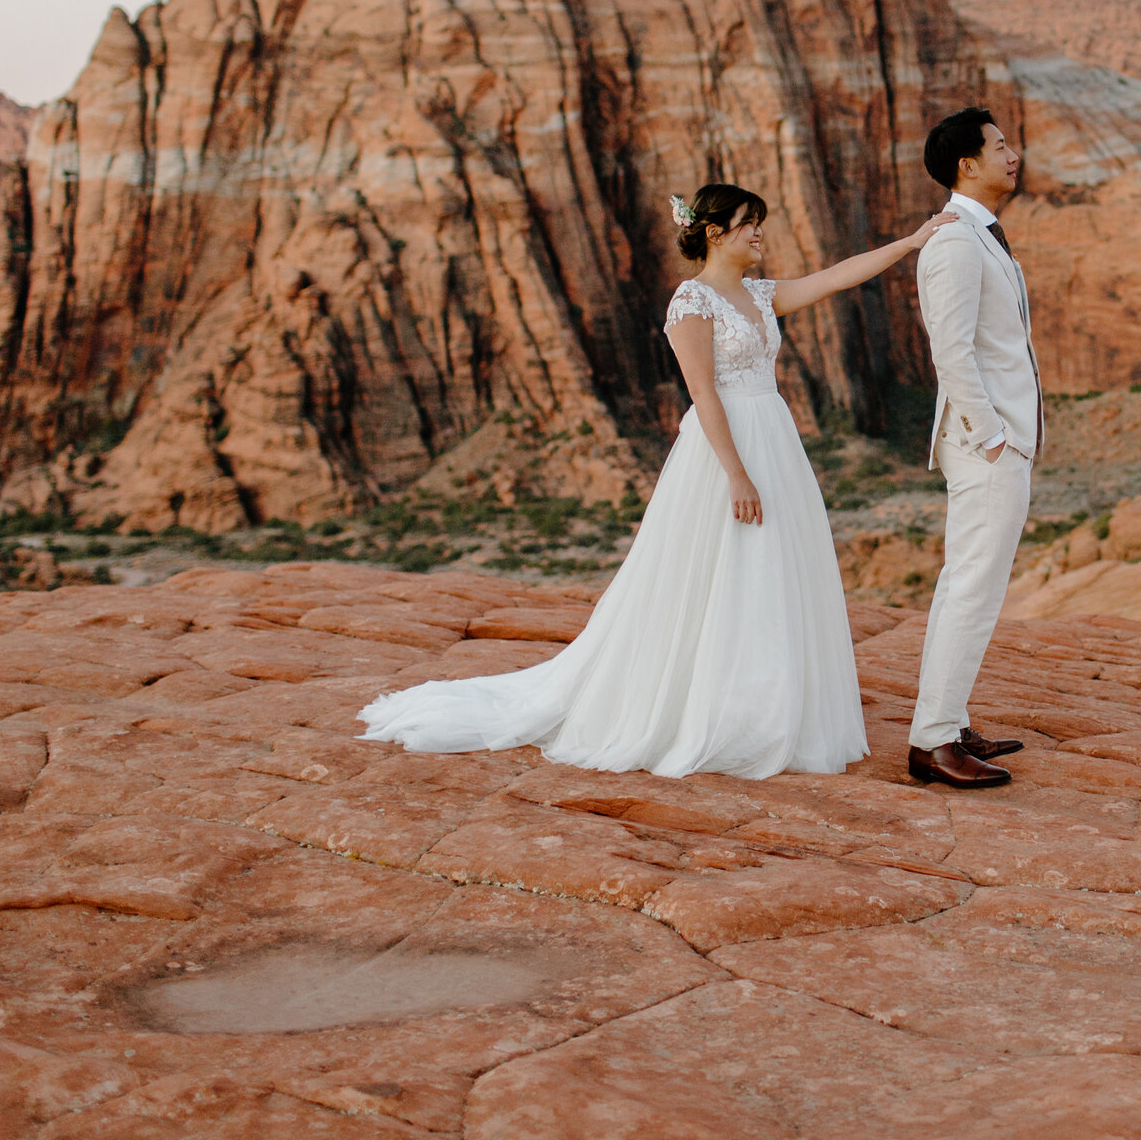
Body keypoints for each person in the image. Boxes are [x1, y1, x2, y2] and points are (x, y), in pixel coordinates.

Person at [356, 184, 955, 779]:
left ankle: (760, 708)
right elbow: (702, 392)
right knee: (712, 574)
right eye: (750, 223)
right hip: (727, 452)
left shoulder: (757, 294)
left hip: (774, 438)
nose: (759, 234)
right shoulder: (692, 302)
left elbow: (837, 277)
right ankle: (700, 710)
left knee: (767, 573)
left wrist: (913, 240)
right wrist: (737, 475)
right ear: (716, 232)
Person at [907, 107, 1041, 788]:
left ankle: (950, 721)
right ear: (967, 163)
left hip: (995, 440)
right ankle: (932, 742)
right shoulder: (957, 241)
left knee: (971, 585)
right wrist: (994, 438)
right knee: (972, 589)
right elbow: (951, 349)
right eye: (999, 145)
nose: (1011, 154)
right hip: (986, 444)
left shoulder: (976, 235)